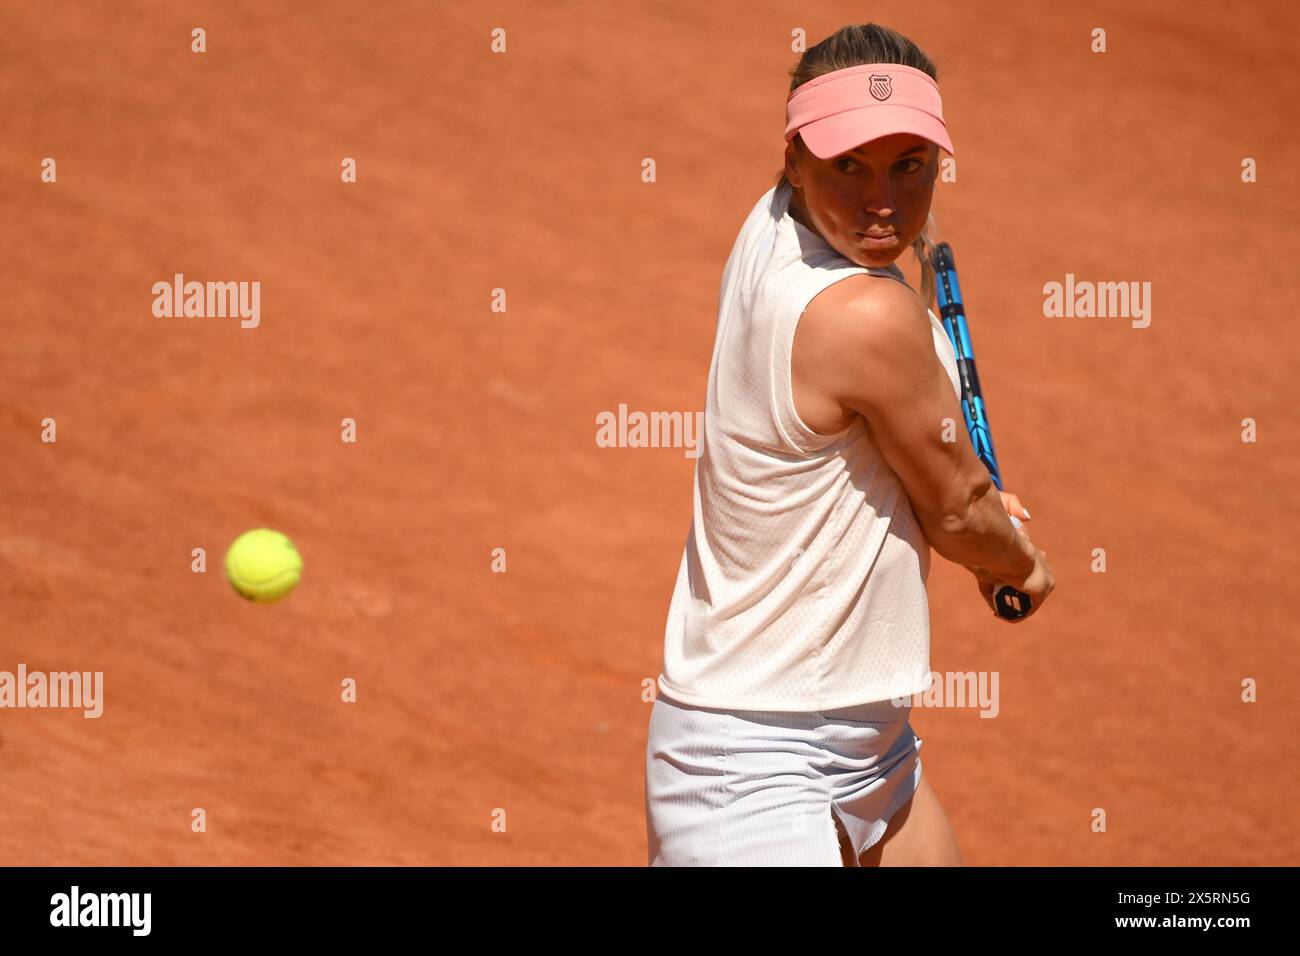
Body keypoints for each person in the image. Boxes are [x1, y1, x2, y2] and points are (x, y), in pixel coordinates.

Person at [645, 23, 1055, 867]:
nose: (882, 201)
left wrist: (970, 513)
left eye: (910, 166)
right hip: (753, 767)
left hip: (867, 745)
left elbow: (894, 468)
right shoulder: (865, 315)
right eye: (849, 166)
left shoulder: (773, 224)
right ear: (794, 157)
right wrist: (1018, 561)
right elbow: (957, 509)